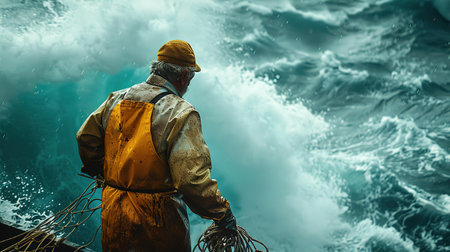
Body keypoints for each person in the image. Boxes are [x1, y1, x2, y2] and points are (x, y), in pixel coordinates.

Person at [76, 40, 236, 252]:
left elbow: (85, 137)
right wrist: (222, 212)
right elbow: (191, 180)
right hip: (157, 220)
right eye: (190, 78)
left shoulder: (117, 99)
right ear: (183, 76)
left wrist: (103, 173)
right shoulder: (180, 113)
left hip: (114, 209)